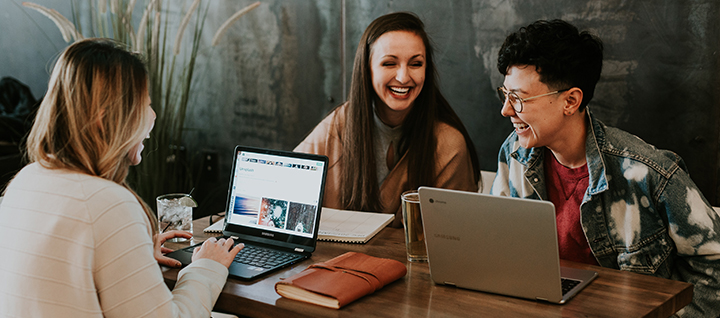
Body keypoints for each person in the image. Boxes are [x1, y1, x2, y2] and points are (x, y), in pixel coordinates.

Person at [491, 19, 720, 317]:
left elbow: (714, 264)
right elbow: (497, 248)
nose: (506, 110)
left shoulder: (648, 172)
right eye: (505, 94)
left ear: (571, 101)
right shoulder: (515, 153)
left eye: (518, 98)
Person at [0, 38, 243, 317]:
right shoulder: (108, 203)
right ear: (107, 118)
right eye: (145, 104)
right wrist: (206, 267)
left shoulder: (24, 181)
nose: (152, 116)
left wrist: (130, 254)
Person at [295, 12, 480, 227]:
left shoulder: (448, 144)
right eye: (389, 64)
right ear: (367, 69)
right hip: (334, 260)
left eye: (416, 64)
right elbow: (286, 185)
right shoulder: (338, 125)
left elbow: (456, 236)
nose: (403, 77)